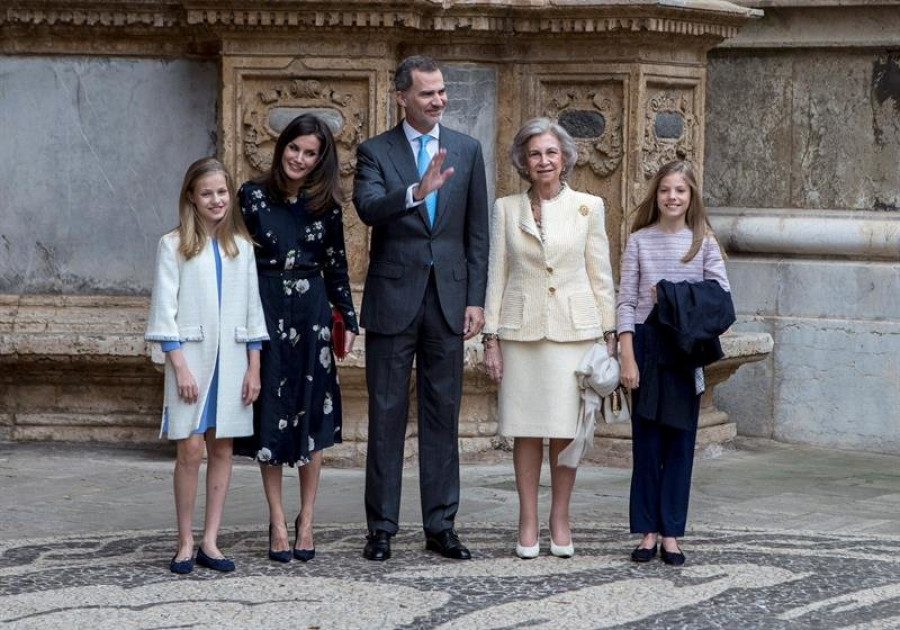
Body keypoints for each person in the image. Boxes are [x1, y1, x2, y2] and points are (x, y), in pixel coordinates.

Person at [352, 55, 489, 561]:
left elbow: (477, 235)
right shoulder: (374, 152)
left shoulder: (468, 150)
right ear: (402, 97)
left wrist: (476, 298)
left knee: (442, 417)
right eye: (428, 93)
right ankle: (381, 528)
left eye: (442, 91)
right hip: (393, 300)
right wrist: (415, 191)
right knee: (385, 414)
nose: (439, 100)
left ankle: (441, 526)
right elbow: (367, 208)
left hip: (450, 302)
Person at [482, 118, 617, 559]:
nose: (544, 160)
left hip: (573, 333)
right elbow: (497, 275)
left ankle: (560, 516)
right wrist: (490, 337)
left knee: (566, 432)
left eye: (551, 153)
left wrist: (610, 334)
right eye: (535, 153)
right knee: (524, 430)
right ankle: (527, 519)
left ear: (565, 159)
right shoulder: (505, 208)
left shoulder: (588, 207)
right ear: (523, 160)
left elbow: (601, 274)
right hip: (521, 331)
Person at [233, 115, 359, 563]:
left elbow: (337, 265)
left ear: (321, 160)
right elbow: (234, 258)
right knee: (269, 414)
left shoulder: (327, 207)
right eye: (294, 149)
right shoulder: (251, 196)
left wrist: (346, 318)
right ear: (281, 145)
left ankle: (307, 517)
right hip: (263, 307)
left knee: (312, 419)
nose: (300, 159)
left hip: (311, 315)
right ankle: (277, 520)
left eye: (310, 153)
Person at [146, 157, 269, 574]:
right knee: (190, 448)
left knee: (223, 447)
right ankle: (184, 539)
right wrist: (179, 366)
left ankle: (211, 541)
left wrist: (254, 368)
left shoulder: (243, 248)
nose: (216, 200)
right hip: (193, 361)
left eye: (221, 192)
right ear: (192, 198)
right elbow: (164, 312)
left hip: (233, 362)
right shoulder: (174, 245)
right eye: (206, 193)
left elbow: (253, 313)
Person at [617, 159, 733, 566]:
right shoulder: (639, 241)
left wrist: (668, 294)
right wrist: (626, 355)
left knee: (680, 446)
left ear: (691, 196)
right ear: (657, 194)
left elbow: (721, 296)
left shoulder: (703, 242)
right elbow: (626, 301)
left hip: (684, 352)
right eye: (665, 190)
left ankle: (671, 533)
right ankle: (647, 530)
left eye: (680, 191)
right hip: (646, 347)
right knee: (647, 445)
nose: (672, 197)